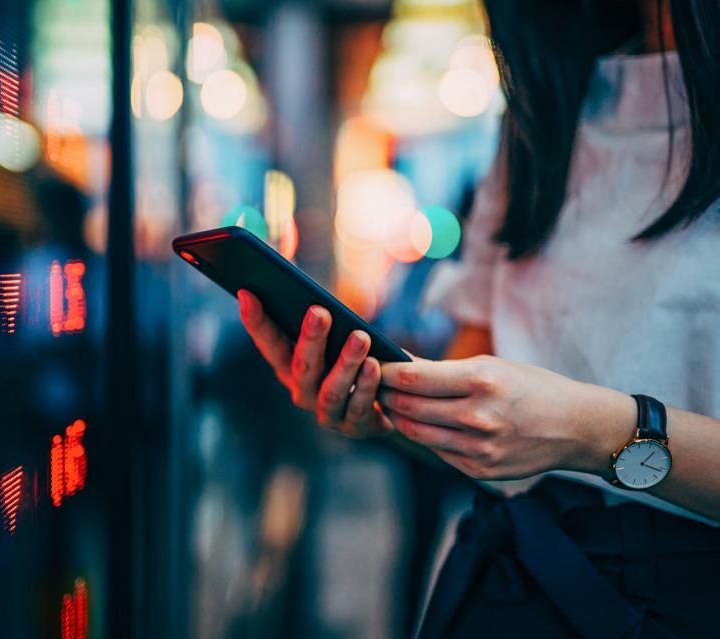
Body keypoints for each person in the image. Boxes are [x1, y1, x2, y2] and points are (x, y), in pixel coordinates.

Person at [236, 0, 720, 636]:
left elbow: (549, 425)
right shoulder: (542, 114)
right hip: (516, 588)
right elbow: (483, 408)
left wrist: (590, 432)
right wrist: (382, 410)